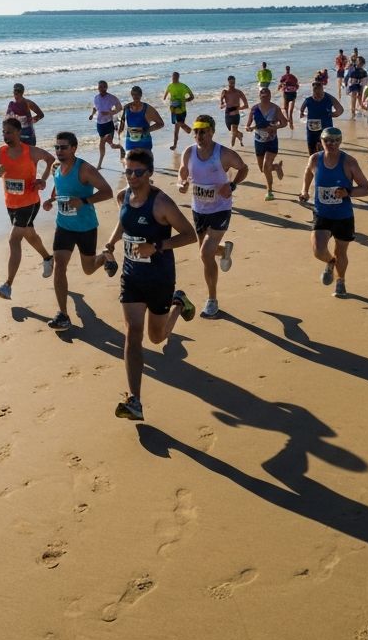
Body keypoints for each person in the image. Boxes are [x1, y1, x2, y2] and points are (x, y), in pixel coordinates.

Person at [104, 148, 198, 422]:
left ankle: (178, 303)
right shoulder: (123, 197)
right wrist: (111, 243)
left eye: (138, 172)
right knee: (133, 333)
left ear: (150, 173)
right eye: (128, 171)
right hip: (131, 276)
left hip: (159, 278)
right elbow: (124, 225)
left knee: (156, 337)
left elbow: (190, 235)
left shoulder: (162, 204)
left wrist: (157, 246)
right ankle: (135, 400)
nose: (132, 177)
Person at [41, 132, 115, 330]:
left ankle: (105, 256)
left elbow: (108, 192)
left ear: (74, 148)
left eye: (63, 147)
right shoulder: (55, 167)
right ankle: (63, 315)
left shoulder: (85, 169)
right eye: (56, 147)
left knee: (88, 269)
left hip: (86, 227)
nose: (59, 151)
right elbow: (59, 188)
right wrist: (51, 199)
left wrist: (83, 201)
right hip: (64, 225)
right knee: (60, 266)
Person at [177, 115, 248, 319]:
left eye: (203, 131)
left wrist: (232, 185)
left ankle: (212, 300)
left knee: (205, 254)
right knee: (205, 252)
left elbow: (243, 168)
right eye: (196, 132)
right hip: (199, 209)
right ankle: (225, 250)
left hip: (220, 209)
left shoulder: (223, 154)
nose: (199, 135)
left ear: (212, 132)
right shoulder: (189, 153)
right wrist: (182, 183)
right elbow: (183, 171)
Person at [299, 127, 368, 298]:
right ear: (321, 142)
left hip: (343, 216)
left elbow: (366, 189)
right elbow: (308, 174)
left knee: (341, 252)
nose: (331, 144)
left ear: (340, 142)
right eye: (327, 141)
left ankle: (341, 281)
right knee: (318, 250)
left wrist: (348, 192)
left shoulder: (349, 162)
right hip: (321, 213)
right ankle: (330, 262)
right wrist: (304, 190)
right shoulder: (315, 159)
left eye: (335, 141)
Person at [0, 117, 55, 300]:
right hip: (11, 204)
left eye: (9, 132)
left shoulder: (30, 151)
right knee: (29, 234)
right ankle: (48, 258)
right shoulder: (0, 153)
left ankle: (8, 285)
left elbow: (51, 160)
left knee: (14, 240)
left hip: (30, 202)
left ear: (18, 132)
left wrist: (43, 179)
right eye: (3, 132)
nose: (5, 135)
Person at [245, 87, 288, 200]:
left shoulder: (275, 108)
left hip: (271, 141)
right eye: (262, 96)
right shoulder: (254, 109)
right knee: (263, 169)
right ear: (259, 96)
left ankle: (269, 191)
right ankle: (277, 167)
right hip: (259, 141)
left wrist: (276, 127)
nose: (264, 97)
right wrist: (249, 128)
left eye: (266, 96)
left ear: (270, 96)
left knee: (265, 166)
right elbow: (248, 124)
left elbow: (284, 123)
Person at [300, 78, 344, 157]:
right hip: (312, 130)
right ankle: (314, 167)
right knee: (312, 153)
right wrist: (301, 113)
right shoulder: (308, 100)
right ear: (312, 92)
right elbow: (302, 108)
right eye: (315, 95)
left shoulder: (329, 98)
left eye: (319, 95)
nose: (317, 97)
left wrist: (331, 114)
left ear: (322, 90)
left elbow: (340, 110)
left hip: (326, 129)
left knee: (327, 152)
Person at [118, 85, 165, 155]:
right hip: (130, 141)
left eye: (138, 94)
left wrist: (146, 130)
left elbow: (161, 123)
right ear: (131, 95)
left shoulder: (148, 108)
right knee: (130, 165)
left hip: (144, 142)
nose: (135, 96)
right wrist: (120, 143)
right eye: (133, 94)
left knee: (145, 165)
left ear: (141, 95)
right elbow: (122, 124)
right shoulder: (127, 108)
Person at [89, 80, 124, 169]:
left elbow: (119, 108)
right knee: (111, 145)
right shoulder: (96, 97)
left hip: (108, 124)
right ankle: (122, 147)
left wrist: (110, 112)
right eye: (99, 87)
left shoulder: (112, 97)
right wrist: (92, 115)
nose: (100, 88)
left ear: (106, 87)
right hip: (99, 124)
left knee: (102, 143)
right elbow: (95, 108)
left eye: (102, 86)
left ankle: (99, 165)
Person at [162, 71, 194, 150]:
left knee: (180, 124)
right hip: (173, 111)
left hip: (182, 110)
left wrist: (184, 101)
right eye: (172, 77)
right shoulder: (170, 86)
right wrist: (167, 102)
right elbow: (164, 98)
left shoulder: (183, 86)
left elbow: (192, 97)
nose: (173, 79)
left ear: (178, 77)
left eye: (175, 77)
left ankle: (192, 131)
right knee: (176, 129)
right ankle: (175, 145)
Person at [219, 75, 249, 147]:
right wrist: (223, 104)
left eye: (233, 83)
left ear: (235, 82)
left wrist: (237, 109)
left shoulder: (239, 92)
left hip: (235, 115)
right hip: (227, 115)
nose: (232, 85)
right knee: (233, 132)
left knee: (233, 133)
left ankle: (232, 148)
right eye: (230, 83)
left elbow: (246, 105)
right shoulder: (225, 92)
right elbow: (221, 105)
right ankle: (240, 135)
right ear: (228, 83)